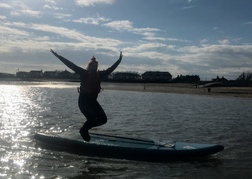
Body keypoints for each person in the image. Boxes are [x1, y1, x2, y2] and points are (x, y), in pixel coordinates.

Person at [50, 49, 123, 141]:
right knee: (92, 119)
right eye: (93, 66)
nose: (95, 67)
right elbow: (71, 65)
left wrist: (119, 60)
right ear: (89, 66)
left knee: (103, 120)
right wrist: (58, 56)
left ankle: (84, 129)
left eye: (96, 66)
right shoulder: (84, 73)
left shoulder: (99, 74)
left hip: (93, 101)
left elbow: (111, 69)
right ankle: (84, 130)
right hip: (84, 101)